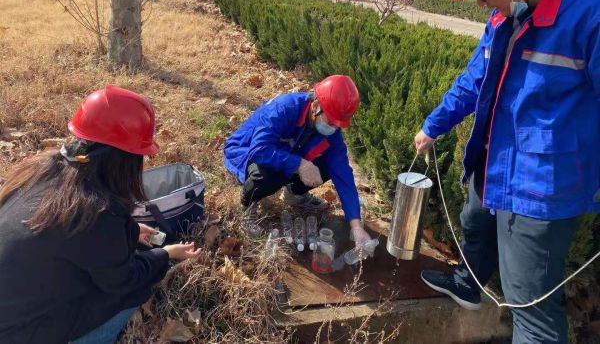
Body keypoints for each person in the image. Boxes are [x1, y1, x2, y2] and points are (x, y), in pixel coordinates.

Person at [415, 0, 600, 343]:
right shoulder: (505, 14)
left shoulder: (589, 15)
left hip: (540, 192)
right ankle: (469, 283)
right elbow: (473, 80)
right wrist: (433, 125)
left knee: (530, 312)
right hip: (496, 163)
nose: (480, 4)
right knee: (473, 218)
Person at [0, 86, 201, 344]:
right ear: (127, 160)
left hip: (13, 300)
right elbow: (124, 279)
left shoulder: (43, 169)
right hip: (16, 333)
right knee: (131, 292)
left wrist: (131, 231)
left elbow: (66, 239)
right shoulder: (96, 211)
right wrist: (165, 253)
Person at [224, 74, 371, 246]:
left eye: (339, 124)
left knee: (328, 166)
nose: (334, 128)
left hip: (290, 152)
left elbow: (343, 172)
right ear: (316, 106)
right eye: (331, 122)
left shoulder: (331, 130)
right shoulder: (284, 108)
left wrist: (356, 226)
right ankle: (249, 204)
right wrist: (299, 164)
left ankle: (294, 194)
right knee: (271, 175)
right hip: (247, 149)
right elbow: (259, 150)